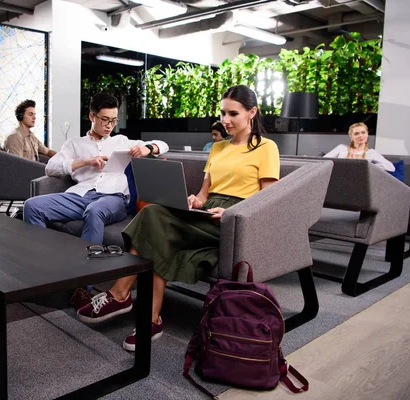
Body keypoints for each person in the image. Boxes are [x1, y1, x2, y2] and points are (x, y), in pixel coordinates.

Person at [76, 85, 280, 352]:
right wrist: (194, 201)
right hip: (207, 214)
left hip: (237, 220)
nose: (226, 120)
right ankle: (148, 317)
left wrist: (231, 213)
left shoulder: (266, 148)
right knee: (155, 217)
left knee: (156, 225)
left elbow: (268, 200)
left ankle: (121, 295)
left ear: (251, 112)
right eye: (223, 113)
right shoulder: (218, 149)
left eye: (233, 114)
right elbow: (205, 194)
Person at [23, 93, 168, 244]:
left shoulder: (121, 141)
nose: (110, 125)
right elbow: (51, 168)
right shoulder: (74, 144)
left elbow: (163, 144)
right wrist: (87, 161)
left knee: (94, 210)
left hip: (113, 198)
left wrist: (149, 148)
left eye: (113, 120)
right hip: (79, 196)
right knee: (32, 206)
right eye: (105, 120)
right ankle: (39, 258)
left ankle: (88, 266)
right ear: (92, 116)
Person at [323, 122, 395, 171]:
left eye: (363, 132)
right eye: (356, 133)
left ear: (367, 134)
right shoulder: (341, 148)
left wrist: (369, 167)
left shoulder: (371, 153)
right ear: (351, 136)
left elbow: (391, 167)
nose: (360, 136)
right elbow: (323, 161)